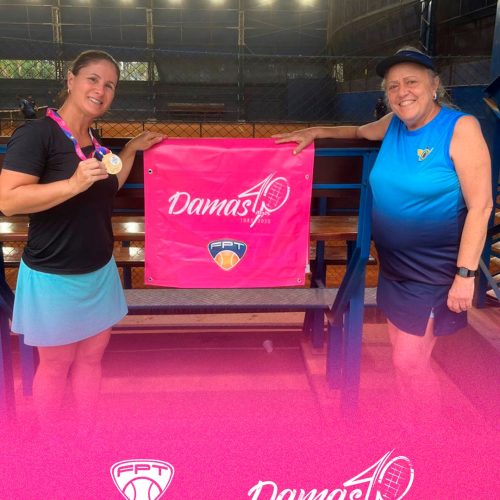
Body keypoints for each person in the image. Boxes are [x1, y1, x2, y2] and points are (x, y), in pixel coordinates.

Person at [274, 46, 492, 431]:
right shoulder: (392, 124)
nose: (402, 92)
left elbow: (481, 206)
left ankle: (431, 440)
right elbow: (358, 131)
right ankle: (412, 427)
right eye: (393, 86)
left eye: (411, 82)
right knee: (402, 357)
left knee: (409, 361)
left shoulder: (460, 128)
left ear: (434, 85)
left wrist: (465, 274)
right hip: (393, 268)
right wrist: (316, 131)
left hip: (434, 270)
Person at [0, 50, 164, 437]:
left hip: (98, 271)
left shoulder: (93, 141)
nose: (100, 90)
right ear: (71, 80)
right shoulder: (37, 135)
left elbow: (108, 186)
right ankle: (53, 444)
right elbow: (8, 200)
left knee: (91, 360)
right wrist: (72, 184)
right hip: (54, 274)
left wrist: (130, 150)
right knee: (56, 365)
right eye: (92, 79)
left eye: (110, 85)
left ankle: (87, 436)